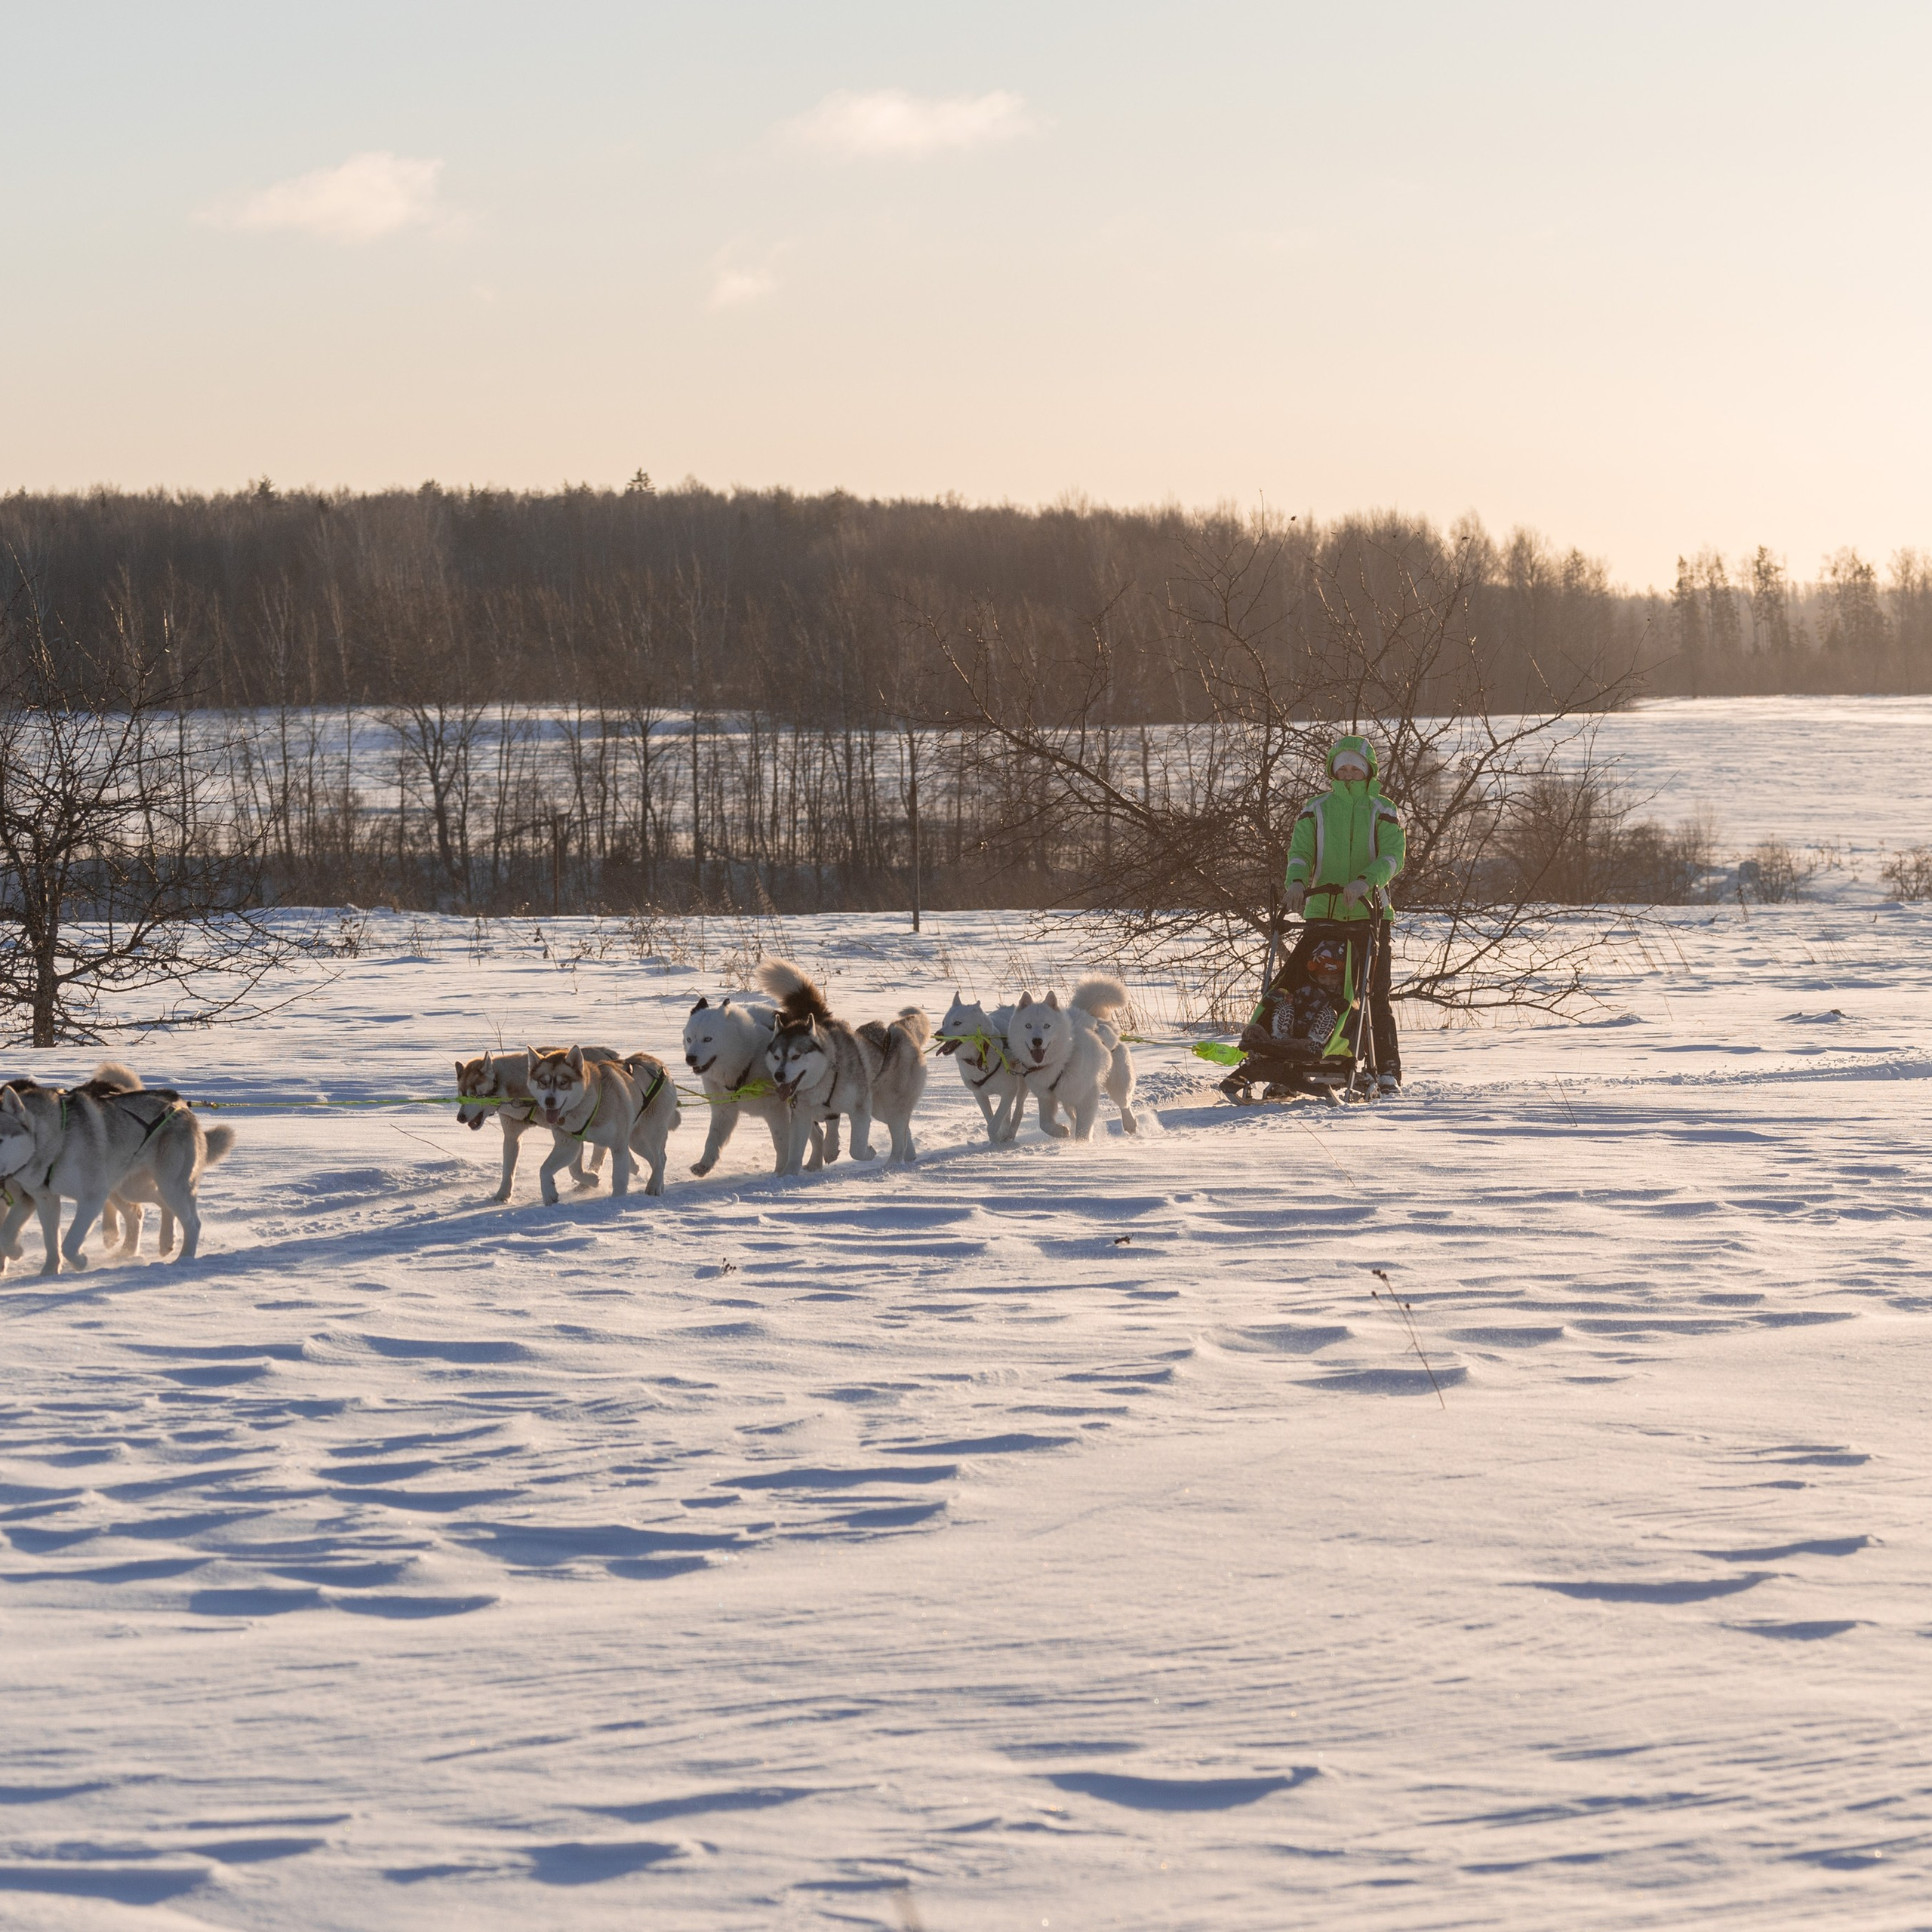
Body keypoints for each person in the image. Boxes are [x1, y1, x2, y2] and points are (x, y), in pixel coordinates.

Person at [1282, 735, 1405, 1091]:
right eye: (1343, 768)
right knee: (1311, 987)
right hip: (1323, 910)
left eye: (1356, 768)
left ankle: (1386, 1068)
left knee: (1372, 993)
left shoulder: (1383, 809)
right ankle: (1299, 1057)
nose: (1349, 775)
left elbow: (1393, 856)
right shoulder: (1316, 808)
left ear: (1368, 771)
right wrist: (1296, 883)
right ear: (1333, 771)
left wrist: (1365, 882)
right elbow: (1301, 852)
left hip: (1371, 912)